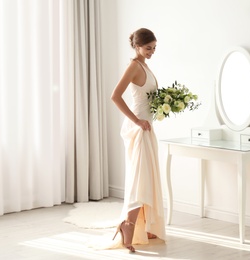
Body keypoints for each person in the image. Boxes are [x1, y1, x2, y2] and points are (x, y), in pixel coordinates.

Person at [111, 28, 166, 253]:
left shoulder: (144, 65)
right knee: (139, 180)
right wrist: (137, 122)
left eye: (154, 48)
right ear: (137, 46)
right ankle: (127, 226)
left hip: (146, 127)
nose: (152, 51)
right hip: (139, 129)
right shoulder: (134, 65)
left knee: (147, 178)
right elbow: (115, 96)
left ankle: (144, 226)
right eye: (148, 48)